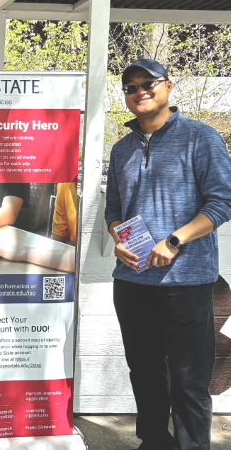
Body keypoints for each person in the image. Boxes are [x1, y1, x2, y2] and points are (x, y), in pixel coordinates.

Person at [106, 58, 231, 450]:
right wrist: (116, 237)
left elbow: (222, 202)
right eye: (131, 86)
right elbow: (113, 209)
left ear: (168, 86)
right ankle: (154, 442)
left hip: (187, 282)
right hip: (131, 282)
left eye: (149, 83)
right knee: (143, 373)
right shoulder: (121, 148)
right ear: (125, 96)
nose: (140, 91)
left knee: (189, 377)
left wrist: (174, 241)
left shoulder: (200, 137)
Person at [0, 182, 77, 273]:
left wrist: (22, 251)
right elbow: (57, 244)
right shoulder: (65, 185)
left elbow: (83, 259)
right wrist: (16, 246)